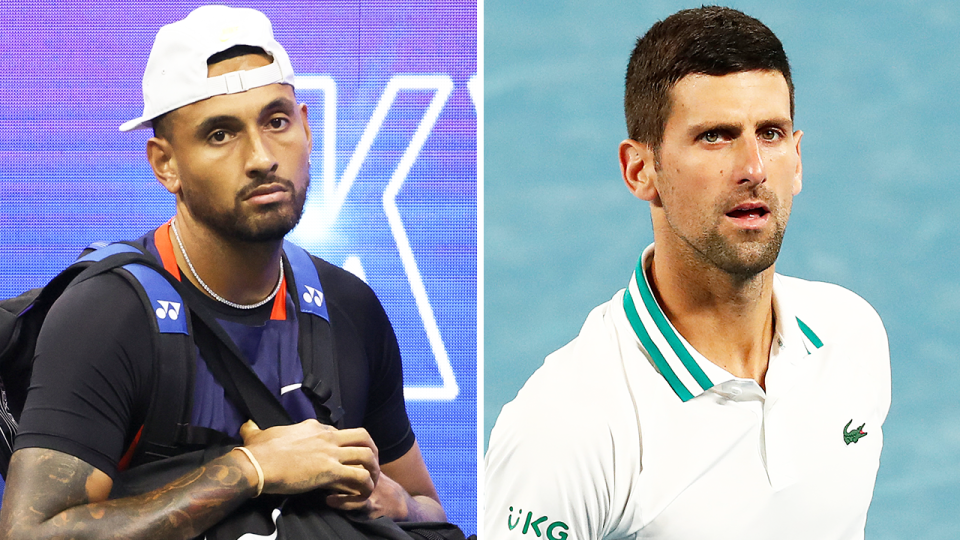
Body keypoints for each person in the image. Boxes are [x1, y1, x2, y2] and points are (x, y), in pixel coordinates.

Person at [0, 6, 445, 539]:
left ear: (306, 126)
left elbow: (429, 510)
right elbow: (33, 533)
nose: (261, 157)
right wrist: (248, 472)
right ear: (165, 164)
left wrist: (393, 502)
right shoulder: (107, 316)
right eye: (220, 134)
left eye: (276, 121)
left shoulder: (349, 305)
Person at [484, 6, 890, 540]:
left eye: (770, 133)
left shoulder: (851, 336)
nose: (752, 169)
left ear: (798, 157)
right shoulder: (566, 427)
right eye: (716, 137)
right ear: (640, 170)